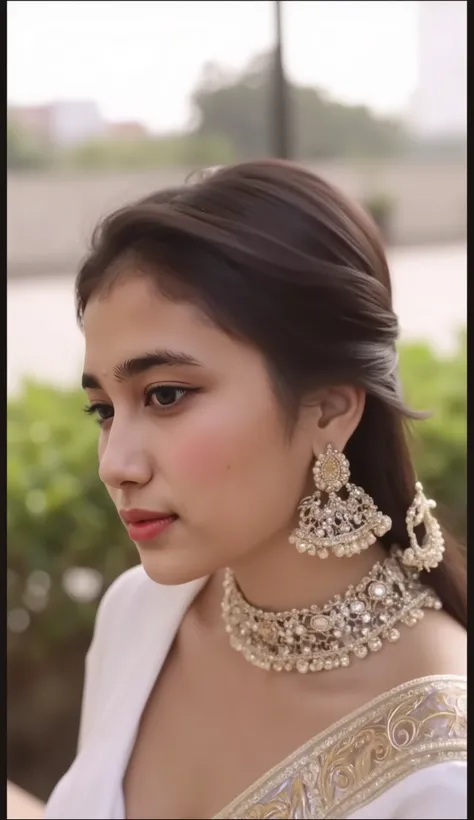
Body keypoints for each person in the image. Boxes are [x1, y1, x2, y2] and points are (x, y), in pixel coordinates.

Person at [45, 160, 466, 820]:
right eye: (104, 409)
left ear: (328, 409)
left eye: (165, 395)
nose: (114, 463)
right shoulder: (142, 616)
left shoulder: (443, 766)